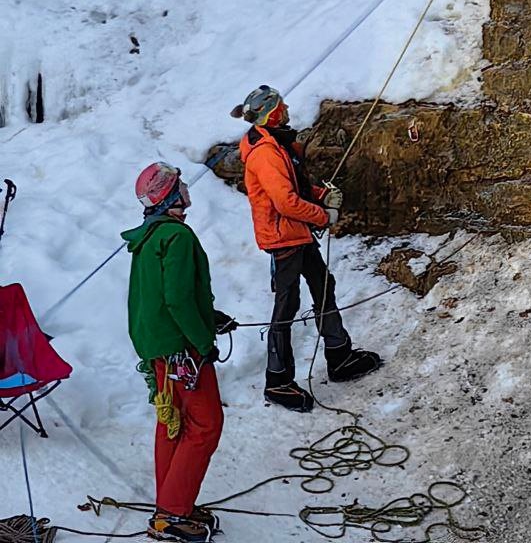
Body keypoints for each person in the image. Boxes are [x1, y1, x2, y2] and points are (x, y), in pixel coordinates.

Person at [234, 84, 382, 413]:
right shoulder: (267, 153)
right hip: (284, 237)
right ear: (271, 113)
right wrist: (322, 214)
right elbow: (285, 201)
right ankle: (278, 381)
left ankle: (339, 355)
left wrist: (318, 195)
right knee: (287, 306)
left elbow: (294, 188)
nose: (286, 107)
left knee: (323, 286)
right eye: (280, 104)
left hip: (294, 233)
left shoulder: (275, 143)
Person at [123, 162, 236, 543]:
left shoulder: (148, 237)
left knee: (172, 423)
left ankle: (172, 503)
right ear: (169, 195)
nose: (186, 191)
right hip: (182, 350)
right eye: (180, 187)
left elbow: (159, 295)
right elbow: (177, 299)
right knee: (205, 426)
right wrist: (203, 341)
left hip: (159, 348)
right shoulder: (177, 236)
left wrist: (209, 317)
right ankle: (172, 514)